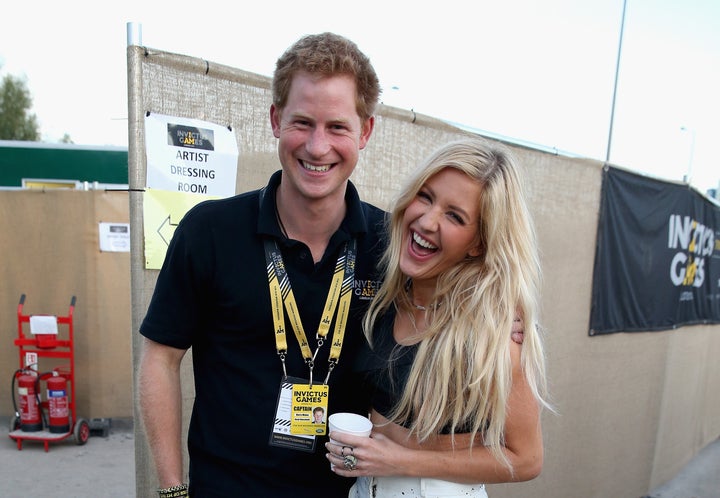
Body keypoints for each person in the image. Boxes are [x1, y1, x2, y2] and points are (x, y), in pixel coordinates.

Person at [137, 32, 385, 498]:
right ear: (275, 120)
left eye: (337, 127)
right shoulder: (209, 231)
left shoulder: (389, 245)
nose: (316, 147)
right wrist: (172, 490)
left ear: (364, 132)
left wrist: (499, 316)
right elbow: (160, 358)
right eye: (302, 122)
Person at [326, 138, 551, 497]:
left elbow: (526, 459)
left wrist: (400, 460)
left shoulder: (496, 333)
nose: (427, 221)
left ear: (478, 242)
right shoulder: (388, 294)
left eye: (454, 216)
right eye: (426, 197)